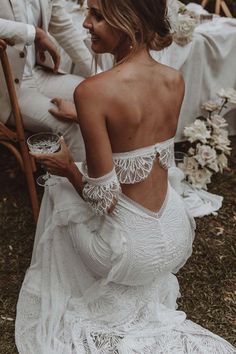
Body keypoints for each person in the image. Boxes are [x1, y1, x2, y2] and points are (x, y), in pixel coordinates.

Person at [15, 0, 235, 353]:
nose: (85, 23)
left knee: (59, 185)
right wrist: (84, 116)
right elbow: (139, 133)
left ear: (129, 22)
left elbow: (103, 199)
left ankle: (81, 291)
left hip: (127, 255)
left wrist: (67, 168)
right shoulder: (174, 79)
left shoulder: (92, 92)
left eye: (98, 15)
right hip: (176, 237)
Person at [0, 0, 97, 160]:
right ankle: (80, 183)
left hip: (38, 74)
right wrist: (33, 33)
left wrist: (99, 76)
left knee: (96, 95)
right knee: (69, 126)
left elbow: (65, 30)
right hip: (6, 90)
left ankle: (111, 175)